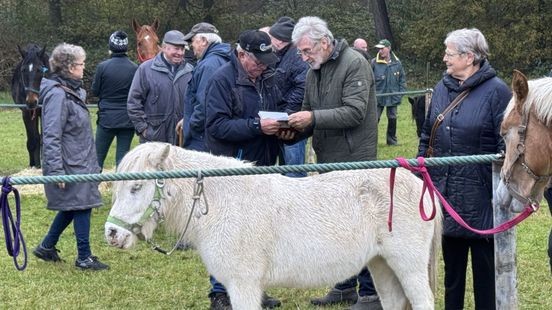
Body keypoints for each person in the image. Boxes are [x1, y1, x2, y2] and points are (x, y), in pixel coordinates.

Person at [282, 16, 381, 310]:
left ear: (324, 42)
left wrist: (311, 119)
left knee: (359, 228)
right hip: (328, 161)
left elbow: (354, 112)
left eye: (306, 50)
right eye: (300, 52)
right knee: (337, 228)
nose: (303, 57)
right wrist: (290, 130)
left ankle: (371, 293)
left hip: (354, 161)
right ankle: (344, 285)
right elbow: (309, 113)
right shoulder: (314, 71)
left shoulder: (354, 63)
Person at [417, 28, 511, 310]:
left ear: (469, 57)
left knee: (485, 278)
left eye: (449, 53)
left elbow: (507, 145)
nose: (444, 58)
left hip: (483, 201)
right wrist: (419, 174)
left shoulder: (498, 92)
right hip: (445, 197)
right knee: (452, 276)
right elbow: (426, 137)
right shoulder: (442, 87)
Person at [204, 30, 282, 310]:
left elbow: (271, 110)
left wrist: (284, 128)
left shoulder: (267, 80)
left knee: (257, 232)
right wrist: (255, 126)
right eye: (257, 61)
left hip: (262, 165)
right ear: (241, 54)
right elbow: (216, 125)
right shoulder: (221, 81)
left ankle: (254, 289)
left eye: (266, 61)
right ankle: (219, 292)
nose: (263, 66)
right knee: (225, 232)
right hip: (231, 168)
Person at [33, 43, 108, 271]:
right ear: (68, 67)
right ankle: (84, 257)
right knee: (82, 205)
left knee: (74, 205)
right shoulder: (57, 95)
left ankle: (47, 246)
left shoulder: (73, 91)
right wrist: (56, 171)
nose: (84, 68)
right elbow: (51, 134)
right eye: (81, 64)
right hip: (69, 163)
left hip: (81, 159)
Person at [127, 30, 193, 145]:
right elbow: (134, 102)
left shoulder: (190, 71)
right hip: (153, 140)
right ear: (163, 48)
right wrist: (143, 129)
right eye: (176, 49)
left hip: (181, 140)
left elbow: (195, 102)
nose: (180, 53)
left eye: (182, 49)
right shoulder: (145, 70)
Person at [177, 22, 232, 151]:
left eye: (193, 41)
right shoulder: (222, 59)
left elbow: (204, 104)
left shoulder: (209, 65)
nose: (191, 46)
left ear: (203, 41)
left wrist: (190, 126)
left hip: (203, 137)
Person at [268, 16, 309, 177]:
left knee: (294, 171)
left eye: (271, 38)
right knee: (285, 169)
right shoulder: (279, 56)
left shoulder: (297, 58)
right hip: (283, 121)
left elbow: (302, 88)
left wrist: (287, 115)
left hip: (293, 124)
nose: (269, 40)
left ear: (279, 40)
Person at [92, 30, 138, 169]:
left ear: (110, 46)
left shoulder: (102, 67)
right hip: (127, 120)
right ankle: (121, 188)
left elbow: (95, 91)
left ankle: (92, 188)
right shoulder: (135, 68)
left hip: (107, 119)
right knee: (122, 160)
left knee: (97, 158)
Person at [371, 39, 406, 145]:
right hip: (378, 95)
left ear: (389, 48)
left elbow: (402, 79)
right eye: (379, 49)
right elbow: (369, 79)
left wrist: (400, 93)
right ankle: (371, 141)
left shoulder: (397, 63)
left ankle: (391, 141)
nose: (380, 51)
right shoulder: (373, 62)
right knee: (374, 119)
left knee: (392, 118)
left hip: (393, 95)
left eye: (382, 48)